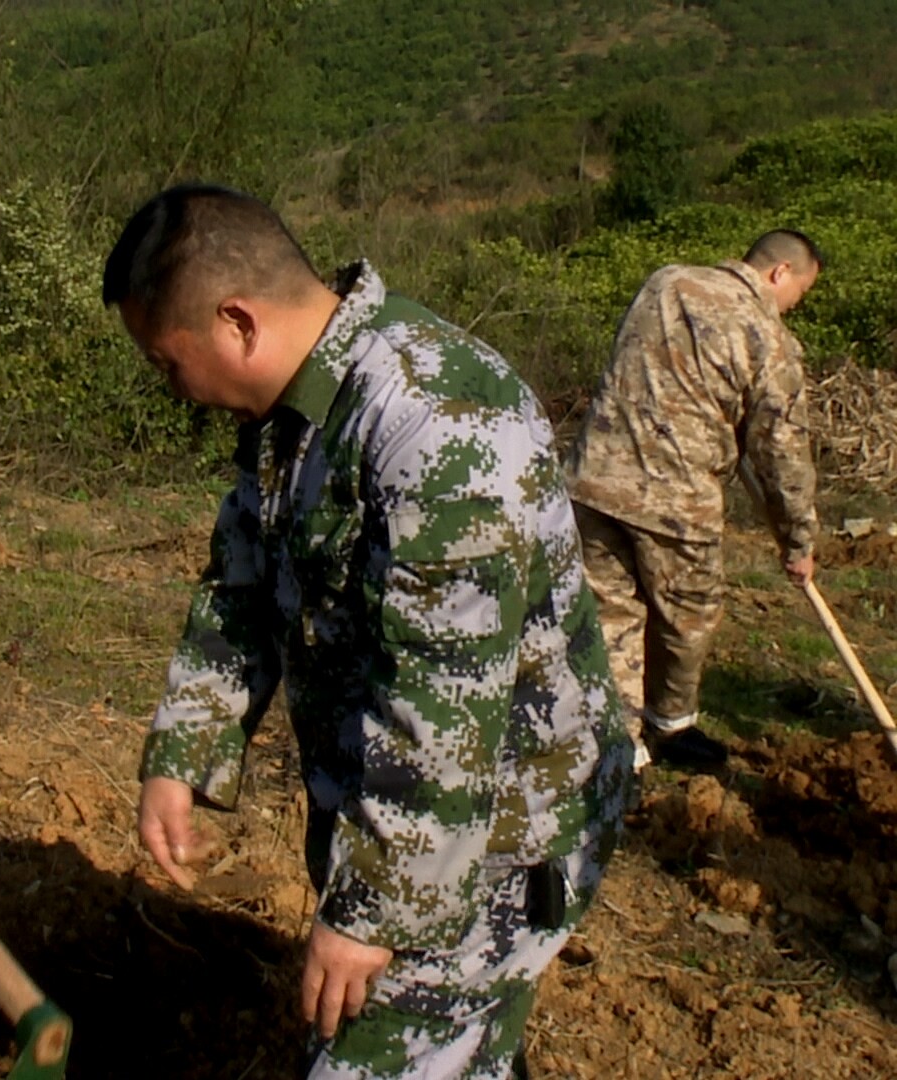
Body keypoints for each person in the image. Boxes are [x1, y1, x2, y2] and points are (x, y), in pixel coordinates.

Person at [106, 184, 632, 1079]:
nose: (176, 392)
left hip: (493, 839)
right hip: (404, 824)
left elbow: (443, 711)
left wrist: (370, 913)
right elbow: (238, 586)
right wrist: (183, 756)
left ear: (237, 321)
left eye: (167, 364)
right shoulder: (291, 415)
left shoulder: (438, 424)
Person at [565, 231, 824, 770]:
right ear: (779, 273)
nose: (793, 306)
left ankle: (617, 745)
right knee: (689, 616)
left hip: (593, 478)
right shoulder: (769, 339)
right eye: (799, 293)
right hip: (676, 500)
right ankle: (669, 723)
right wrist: (798, 538)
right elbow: (782, 452)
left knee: (609, 613)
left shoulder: (663, 282)